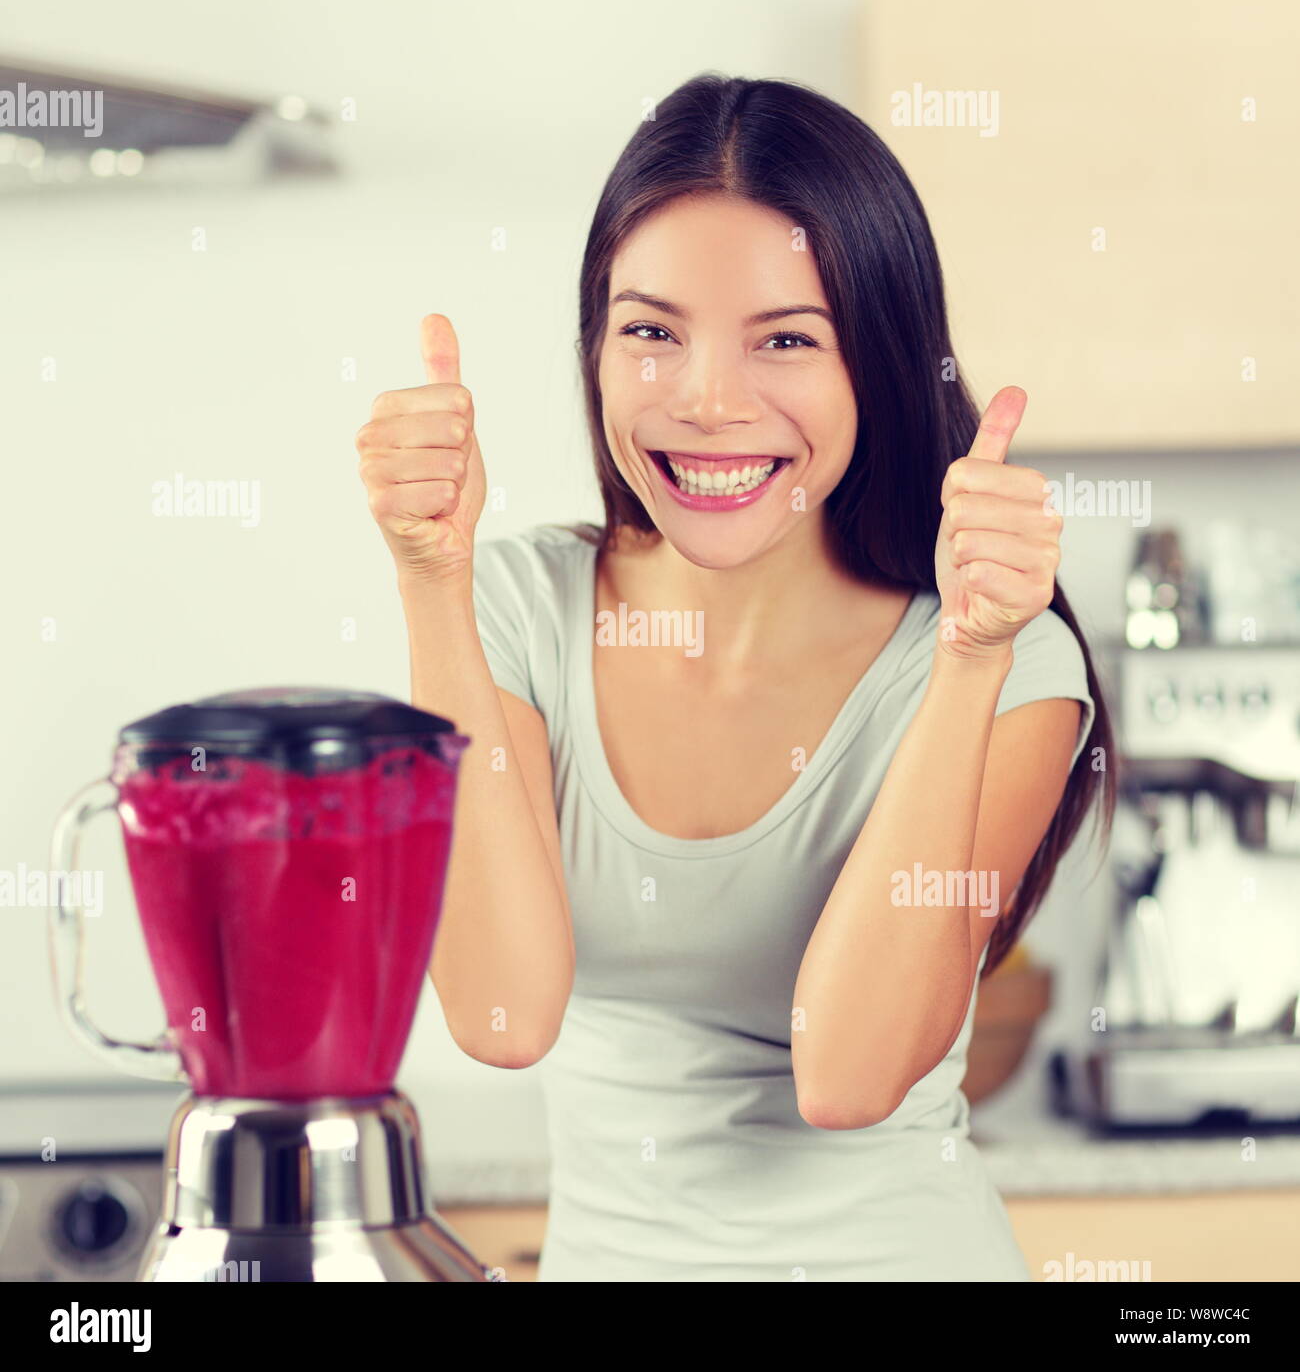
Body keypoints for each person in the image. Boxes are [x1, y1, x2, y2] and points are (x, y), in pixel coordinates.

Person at [355, 73, 1115, 1282]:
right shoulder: (512, 608)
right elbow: (501, 1017)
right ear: (595, 348)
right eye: (652, 330)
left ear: (878, 358)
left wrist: (967, 661)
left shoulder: (1006, 660)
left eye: (787, 339)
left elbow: (852, 1073)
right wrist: (428, 581)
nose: (707, 402)